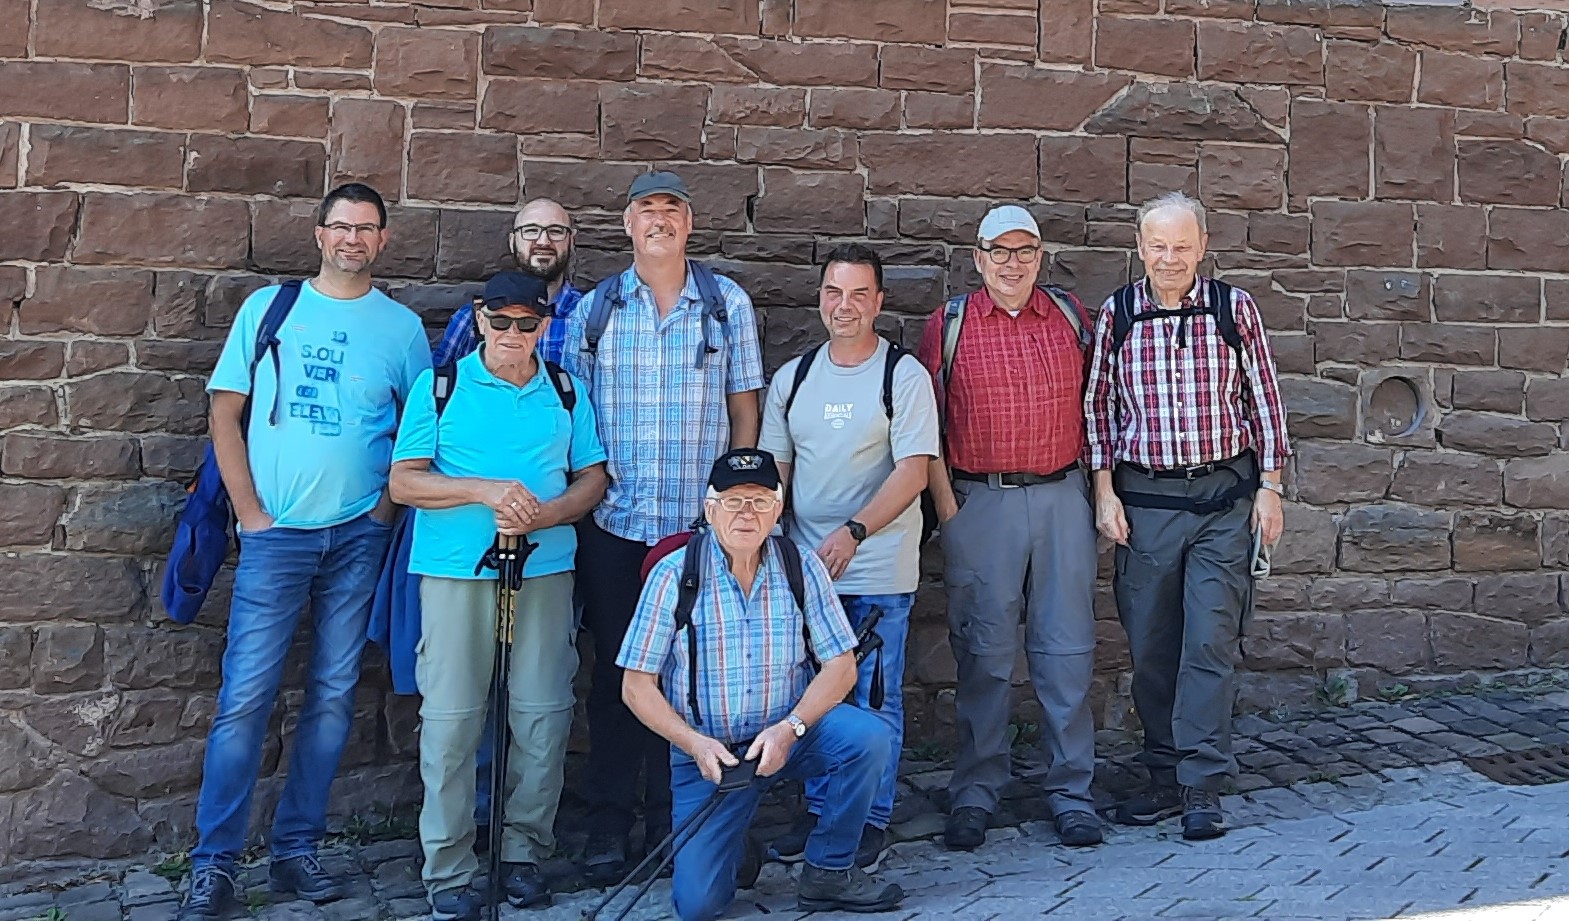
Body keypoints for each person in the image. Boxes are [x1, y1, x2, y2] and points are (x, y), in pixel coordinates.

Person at [181, 183, 432, 920]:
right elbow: (225, 413)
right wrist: (251, 513)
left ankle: (296, 849)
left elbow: (417, 433)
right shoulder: (270, 309)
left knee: (331, 697)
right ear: (319, 235)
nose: (353, 238)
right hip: (277, 534)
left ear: (383, 240)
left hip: (360, 533)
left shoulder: (403, 329)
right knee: (244, 698)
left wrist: (386, 510)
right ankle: (214, 861)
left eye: (367, 228)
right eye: (341, 226)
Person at [562, 171, 765, 882]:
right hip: (617, 528)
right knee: (619, 677)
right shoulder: (595, 311)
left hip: (694, 531)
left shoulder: (725, 304)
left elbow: (744, 412)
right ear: (627, 224)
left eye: (671, 209)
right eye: (645, 208)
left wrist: (735, 508)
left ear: (688, 222)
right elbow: (573, 417)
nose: (658, 220)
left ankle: (686, 822)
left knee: (698, 681)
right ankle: (610, 822)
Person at [390, 271, 608, 920]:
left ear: (544, 324)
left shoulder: (566, 390)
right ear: (479, 319)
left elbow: (592, 476)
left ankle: (522, 853)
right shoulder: (442, 386)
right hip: (456, 571)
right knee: (452, 718)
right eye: (500, 321)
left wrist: (547, 514)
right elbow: (405, 482)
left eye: (526, 322)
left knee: (542, 714)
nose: (513, 334)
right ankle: (450, 867)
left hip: (543, 570)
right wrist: (484, 491)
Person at [618, 449, 906, 921]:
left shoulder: (801, 565)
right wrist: (694, 744)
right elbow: (636, 686)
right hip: (714, 754)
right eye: (732, 501)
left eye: (758, 501)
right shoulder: (674, 575)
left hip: (791, 735)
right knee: (698, 906)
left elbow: (841, 667)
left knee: (868, 737)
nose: (745, 514)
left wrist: (791, 727)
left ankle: (829, 872)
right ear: (710, 510)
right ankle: (736, 845)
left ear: (777, 508)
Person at [1085, 192, 1290, 841]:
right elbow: (1095, 409)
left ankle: (1200, 784)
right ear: (1139, 247)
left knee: (1207, 640)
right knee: (1150, 646)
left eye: (1180, 245)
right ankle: (1161, 773)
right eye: (1157, 245)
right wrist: (1102, 493)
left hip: (1220, 504)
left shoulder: (1233, 310)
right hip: (1144, 507)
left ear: (1201, 246)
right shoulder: (1117, 315)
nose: (1168, 257)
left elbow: (1264, 399)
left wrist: (1270, 485)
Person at [915, 205, 1103, 851]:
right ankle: (975, 788)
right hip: (979, 501)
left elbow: (1102, 407)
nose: (1011, 262)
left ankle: (1070, 790)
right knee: (984, 655)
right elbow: (925, 429)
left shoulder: (1073, 319)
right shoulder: (951, 324)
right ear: (977, 256)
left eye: (1024, 250)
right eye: (999, 250)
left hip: (1060, 496)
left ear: (1040, 255)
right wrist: (947, 510)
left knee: (1066, 652)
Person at [759, 243, 939, 869]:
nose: (846, 305)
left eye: (860, 293)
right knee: (813, 701)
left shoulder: (903, 375)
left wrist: (853, 533)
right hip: (807, 578)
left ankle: (869, 821)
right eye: (836, 292)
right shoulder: (795, 378)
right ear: (820, 300)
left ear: (879, 302)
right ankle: (821, 817)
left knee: (873, 699)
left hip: (876, 571)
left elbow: (913, 472)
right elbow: (773, 476)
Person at [434, 198, 585, 367]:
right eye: (530, 230)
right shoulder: (474, 318)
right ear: (512, 241)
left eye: (556, 231)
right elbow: (438, 386)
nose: (543, 241)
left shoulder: (591, 315)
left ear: (571, 240)